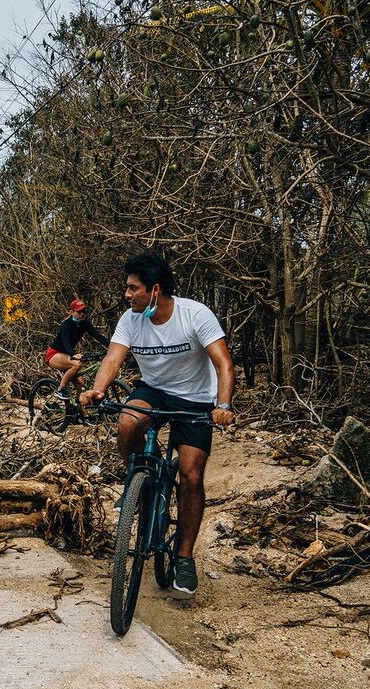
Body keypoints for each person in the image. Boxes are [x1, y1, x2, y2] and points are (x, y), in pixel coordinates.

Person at [81, 251, 235, 596]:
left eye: (133, 288)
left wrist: (222, 405)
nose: (127, 294)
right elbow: (113, 358)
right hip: (154, 390)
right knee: (127, 422)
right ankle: (140, 481)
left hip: (195, 397)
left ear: (155, 290)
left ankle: (183, 557)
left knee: (191, 475)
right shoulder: (130, 319)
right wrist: (97, 389)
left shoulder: (195, 315)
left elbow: (224, 363)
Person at [44, 298, 110, 400]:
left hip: (66, 357)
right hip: (54, 354)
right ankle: (61, 389)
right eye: (79, 312)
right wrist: (73, 355)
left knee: (80, 384)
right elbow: (65, 342)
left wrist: (112, 346)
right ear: (71, 312)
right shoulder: (66, 325)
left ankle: (80, 412)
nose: (82, 314)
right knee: (77, 364)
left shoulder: (85, 324)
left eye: (83, 311)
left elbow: (98, 336)